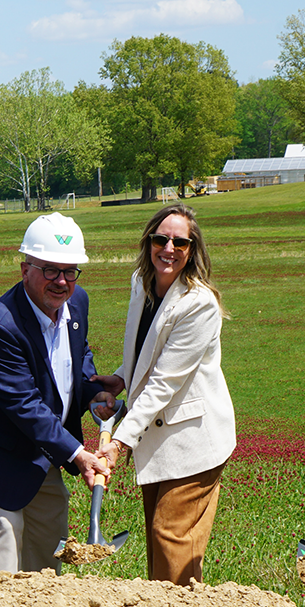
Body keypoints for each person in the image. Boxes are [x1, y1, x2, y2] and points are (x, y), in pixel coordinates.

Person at [0, 213, 106, 572]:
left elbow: (79, 353)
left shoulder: (77, 304)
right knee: (5, 551)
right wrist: (78, 454)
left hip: (42, 450)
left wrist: (92, 389)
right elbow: (24, 405)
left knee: (50, 549)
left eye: (69, 271)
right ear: (24, 269)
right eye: (49, 269)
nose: (61, 281)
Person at [92, 202, 236, 585]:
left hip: (193, 439)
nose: (168, 249)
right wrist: (122, 378)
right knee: (160, 541)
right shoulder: (142, 284)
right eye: (161, 239)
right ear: (148, 241)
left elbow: (166, 381)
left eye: (180, 243)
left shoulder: (198, 303)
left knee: (171, 536)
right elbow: (146, 352)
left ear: (193, 251)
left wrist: (119, 441)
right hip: (159, 439)